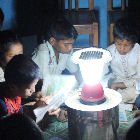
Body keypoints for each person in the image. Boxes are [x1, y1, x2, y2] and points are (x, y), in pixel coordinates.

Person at [32, 16, 82, 96]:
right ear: (52, 41)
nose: (70, 48)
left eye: (72, 44)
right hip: (36, 91)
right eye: (67, 45)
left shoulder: (66, 50)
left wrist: (81, 87)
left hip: (52, 87)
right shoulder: (43, 51)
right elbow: (45, 83)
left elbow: (75, 71)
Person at [0, 54, 59, 121]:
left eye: (34, 85)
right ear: (13, 87)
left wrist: (34, 96)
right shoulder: (3, 107)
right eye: (29, 88)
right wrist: (39, 112)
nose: (33, 90)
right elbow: (14, 127)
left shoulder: (13, 89)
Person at [105, 17, 140, 110]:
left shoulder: (138, 51)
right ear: (114, 40)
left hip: (134, 83)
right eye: (118, 44)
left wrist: (117, 85)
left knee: (133, 93)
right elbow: (103, 70)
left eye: (127, 45)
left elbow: (138, 78)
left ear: (134, 43)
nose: (122, 48)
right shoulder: (109, 51)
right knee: (107, 92)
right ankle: (126, 105)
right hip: (116, 81)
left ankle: (120, 104)